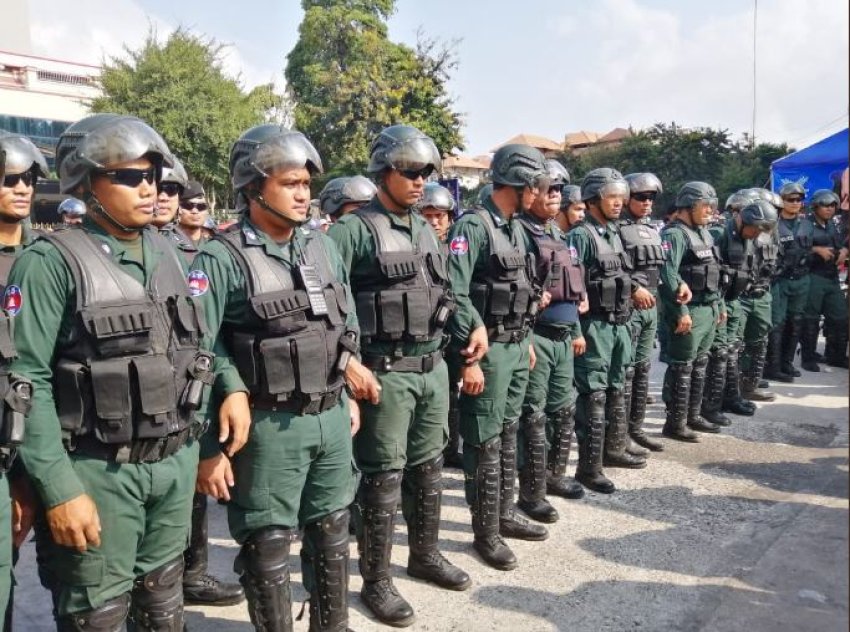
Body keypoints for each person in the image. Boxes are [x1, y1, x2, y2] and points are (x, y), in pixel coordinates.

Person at [8, 113, 224, 629]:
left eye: (152, 176)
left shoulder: (171, 253)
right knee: (96, 613)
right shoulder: (50, 262)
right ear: (87, 182)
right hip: (97, 471)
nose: (148, 188)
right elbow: (24, 380)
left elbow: (197, 353)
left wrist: (204, 448)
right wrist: (57, 488)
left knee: (164, 605)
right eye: (129, 177)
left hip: (170, 466)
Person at [193, 124, 379, 631]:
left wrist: (348, 376)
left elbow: (344, 321)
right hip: (269, 426)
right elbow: (199, 350)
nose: (304, 194)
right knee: (269, 545)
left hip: (331, 416)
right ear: (254, 188)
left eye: (306, 184)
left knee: (333, 531)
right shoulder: (221, 258)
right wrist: (210, 444)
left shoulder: (320, 247)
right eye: (290, 183)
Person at [328, 125, 469, 627]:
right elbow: (328, 303)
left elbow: (445, 292)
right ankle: (377, 581)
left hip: (432, 368)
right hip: (385, 372)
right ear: (383, 171)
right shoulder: (353, 231)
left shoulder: (424, 229)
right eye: (409, 171)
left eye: (426, 173)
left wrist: (470, 338)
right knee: (383, 478)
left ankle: (425, 554)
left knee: (428, 467)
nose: (419, 182)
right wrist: (346, 364)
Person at [445, 144, 549, 571]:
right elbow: (455, 291)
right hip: (484, 354)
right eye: (536, 186)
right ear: (520, 184)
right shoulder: (473, 226)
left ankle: (504, 513)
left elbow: (521, 288)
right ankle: (485, 532)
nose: (540, 194)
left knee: (507, 432)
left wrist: (523, 337)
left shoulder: (516, 228)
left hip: (514, 345)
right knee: (484, 441)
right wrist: (468, 357)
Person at [515, 159, 586, 524]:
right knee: (534, 417)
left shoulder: (558, 235)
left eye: (560, 190)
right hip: (537, 337)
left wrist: (575, 329)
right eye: (550, 190)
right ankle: (531, 492)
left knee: (563, 410)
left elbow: (571, 287)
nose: (556, 196)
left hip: (563, 337)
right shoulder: (521, 233)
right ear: (530, 194)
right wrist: (524, 337)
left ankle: (554, 475)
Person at [566, 168, 637, 493]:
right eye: (612, 197)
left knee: (615, 389)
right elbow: (572, 285)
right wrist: (576, 331)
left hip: (618, 324)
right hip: (594, 325)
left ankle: (613, 449)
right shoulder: (582, 236)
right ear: (594, 199)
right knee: (593, 396)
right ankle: (589, 468)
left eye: (621, 198)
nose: (619, 203)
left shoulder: (614, 232)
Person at [0, 131, 45, 626]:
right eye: (10, 179)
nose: (22, 188)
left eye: (29, 179)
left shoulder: (50, 260)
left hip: (43, 434)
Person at [701, 199, 778, 426]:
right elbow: (710, 273)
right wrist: (718, 303)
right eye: (755, 229)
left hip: (736, 299)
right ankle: (710, 405)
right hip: (719, 301)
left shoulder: (748, 238)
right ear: (742, 219)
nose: (757, 235)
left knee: (733, 349)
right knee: (718, 353)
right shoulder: (719, 234)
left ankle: (731, 397)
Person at [658, 182, 724, 442]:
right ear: (688, 206)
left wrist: (718, 305)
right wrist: (680, 310)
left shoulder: (705, 234)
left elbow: (714, 271)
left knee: (700, 364)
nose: (710, 210)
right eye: (704, 205)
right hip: (689, 311)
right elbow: (668, 274)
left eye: (712, 205)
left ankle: (692, 415)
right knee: (682, 366)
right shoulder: (674, 234)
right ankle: (675, 422)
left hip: (708, 308)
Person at [619, 172, 666, 453]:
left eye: (651, 197)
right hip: (630, 307)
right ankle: (620, 434)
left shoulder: (652, 230)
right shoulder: (617, 231)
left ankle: (636, 428)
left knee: (642, 369)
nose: (647, 202)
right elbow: (614, 268)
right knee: (625, 374)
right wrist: (634, 288)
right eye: (641, 197)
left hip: (651, 307)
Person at [729, 190, 779, 404]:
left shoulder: (769, 232)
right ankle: (729, 391)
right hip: (740, 296)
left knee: (758, 343)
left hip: (761, 294)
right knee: (733, 346)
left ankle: (750, 386)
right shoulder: (731, 232)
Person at [765, 182, 811, 382]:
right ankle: (773, 366)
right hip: (781, 280)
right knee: (777, 322)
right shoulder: (773, 224)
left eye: (798, 200)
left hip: (802, 278)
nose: (795, 203)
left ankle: (787, 362)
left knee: (796, 321)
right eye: (790, 199)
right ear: (781, 201)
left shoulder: (806, 224)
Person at [799, 189, 849, 370]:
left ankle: (836, 356)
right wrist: (816, 249)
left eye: (832, 205)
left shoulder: (832, 225)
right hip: (813, 275)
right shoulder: (805, 225)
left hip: (832, 276)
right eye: (825, 205)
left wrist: (844, 250)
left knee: (840, 317)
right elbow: (795, 248)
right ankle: (808, 357)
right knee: (811, 318)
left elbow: (841, 244)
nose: (829, 209)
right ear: (815, 206)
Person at [177, 179, 211, 248]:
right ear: (178, 208)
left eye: (201, 207)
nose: (195, 211)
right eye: (188, 206)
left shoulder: (214, 244)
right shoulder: (167, 242)